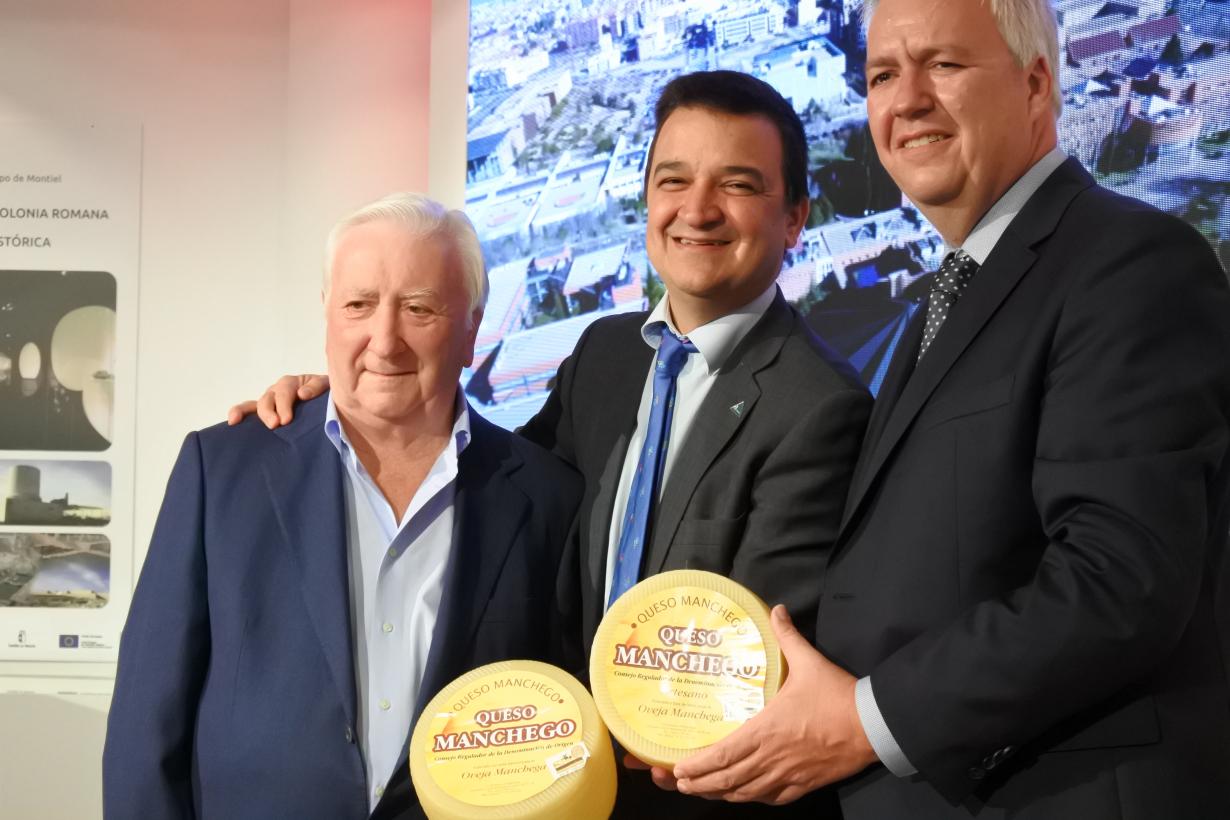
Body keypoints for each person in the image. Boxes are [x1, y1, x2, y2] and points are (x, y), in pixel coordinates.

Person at [231, 71, 872, 818]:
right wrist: (358, 402)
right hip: (553, 783)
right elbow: (493, 483)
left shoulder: (820, 407)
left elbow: (749, 664)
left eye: (737, 185)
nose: (697, 209)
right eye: (673, 180)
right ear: (647, 199)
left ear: (794, 218)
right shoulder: (605, 354)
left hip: (691, 798)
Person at [669, 1, 1230, 818]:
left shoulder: (1130, 263)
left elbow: (1120, 578)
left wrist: (867, 720)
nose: (906, 101)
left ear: (1036, 85)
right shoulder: (946, 297)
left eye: (944, 64)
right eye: (882, 75)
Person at [103, 193, 583, 820]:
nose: (384, 341)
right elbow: (146, 726)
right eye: (359, 305)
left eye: (419, 308)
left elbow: (564, 732)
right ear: (327, 315)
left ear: (471, 330)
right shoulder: (221, 471)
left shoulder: (547, 496)